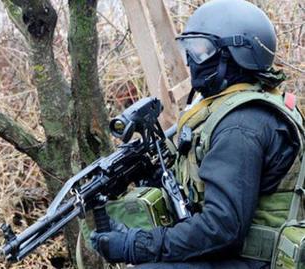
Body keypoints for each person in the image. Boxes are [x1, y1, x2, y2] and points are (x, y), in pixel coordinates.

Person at [89, 0, 304, 268]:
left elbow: (222, 228)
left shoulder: (241, 125)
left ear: (236, 53)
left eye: (202, 51)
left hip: (254, 259)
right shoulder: (240, 106)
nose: (192, 60)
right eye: (188, 50)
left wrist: (139, 245)